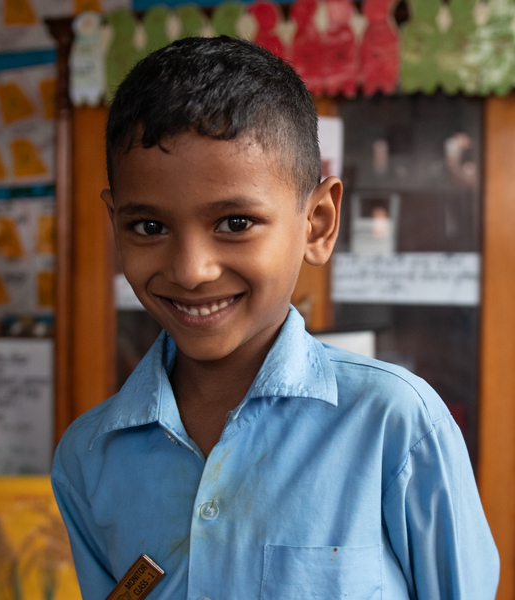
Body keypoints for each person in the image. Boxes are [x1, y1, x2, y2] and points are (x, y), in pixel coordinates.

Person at [52, 36, 499, 599]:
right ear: (115, 223)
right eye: (149, 227)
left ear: (317, 224)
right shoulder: (89, 458)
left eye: (235, 223)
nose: (191, 270)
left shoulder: (395, 426)